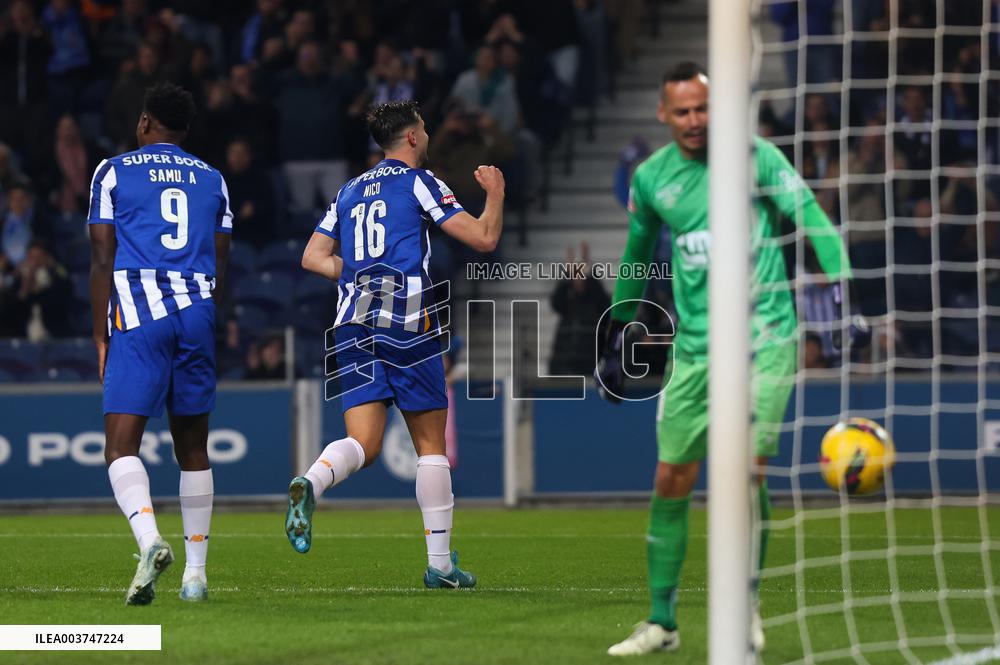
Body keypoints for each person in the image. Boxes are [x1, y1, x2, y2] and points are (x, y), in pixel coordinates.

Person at [598, 62, 860, 656]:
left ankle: (744, 604)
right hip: (695, 349)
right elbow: (638, 254)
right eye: (683, 111)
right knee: (671, 478)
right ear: (663, 115)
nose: (695, 120)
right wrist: (617, 330)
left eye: (704, 108)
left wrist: (842, 287)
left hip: (766, 337)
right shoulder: (652, 179)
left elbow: (812, 216)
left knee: (747, 470)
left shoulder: (757, 157)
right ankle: (661, 622)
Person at [285, 100, 505, 590]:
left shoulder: (348, 190)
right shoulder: (421, 181)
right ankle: (441, 566)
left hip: (352, 323)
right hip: (406, 319)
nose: (427, 135)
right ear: (410, 138)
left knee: (362, 443)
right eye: (423, 128)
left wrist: (360, 277)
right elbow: (484, 239)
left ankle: (312, 481)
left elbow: (312, 257)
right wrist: (495, 194)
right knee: (430, 447)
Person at [88, 82, 232, 605]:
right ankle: (196, 576)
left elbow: (103, 257)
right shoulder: (213, 179)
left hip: (140, 315)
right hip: (196, 313)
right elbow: (222, 260)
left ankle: (150, 541)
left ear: (146, 123)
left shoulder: (113, 171)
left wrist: (101, 331)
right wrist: (217, 318)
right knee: (193, 448)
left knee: (120, 446)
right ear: (186, 131)